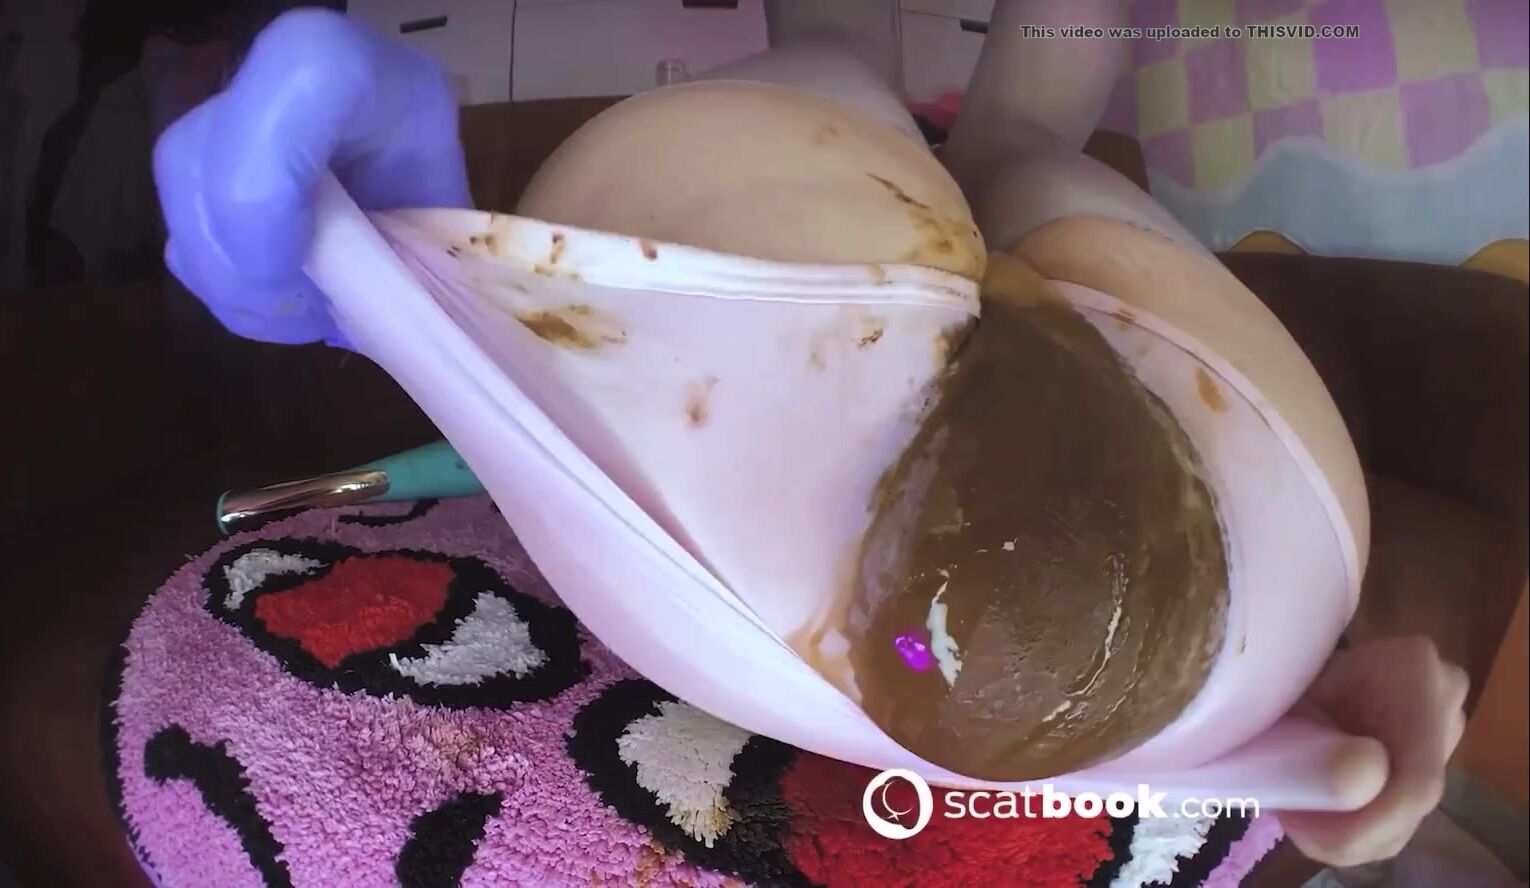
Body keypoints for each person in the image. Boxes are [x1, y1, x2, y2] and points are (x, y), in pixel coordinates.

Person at [153, 6, 1470, 870]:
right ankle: (951, 122)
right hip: (1223, 598)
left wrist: (396, 276)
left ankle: (928, 110)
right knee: (986, 140)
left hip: (1243, 586)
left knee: (921, 111)